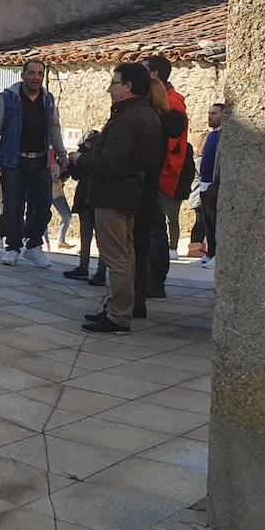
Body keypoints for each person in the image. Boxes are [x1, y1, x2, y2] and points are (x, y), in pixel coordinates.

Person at [71, 64, 161, 333]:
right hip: (130, 194)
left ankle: (119, 315)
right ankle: (118, 309)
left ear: (128, 87)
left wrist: (81, 159)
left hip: (114, 195)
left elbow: (111, 162)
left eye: (114, 83)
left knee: (117, 257)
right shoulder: (146, 115)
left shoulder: (128, 119)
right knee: (126, 255)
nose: (110, 89)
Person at [0, 59, 67, 269]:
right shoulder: (7, 99)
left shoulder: (47, 100)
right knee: (13, 208)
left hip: (40, 161)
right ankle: (13, 248)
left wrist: (62, 156)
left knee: (43, 206)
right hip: (14, 162)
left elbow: (54, 129)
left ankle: (33, 245)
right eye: (31, 73)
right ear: (23, 75)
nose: (36, 77)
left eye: (40, 74)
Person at [143, 54, 189, 296]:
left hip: (160, 176)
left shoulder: (171, 104)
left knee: (155, 228)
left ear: (153, 75)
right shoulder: (167, 101)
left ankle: (156, 280)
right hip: (158, 175)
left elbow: (171, 147)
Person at [62, 129, 106, 284]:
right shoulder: (102, 152)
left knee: (90, 236)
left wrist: (73, 162)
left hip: (92, 198)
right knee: (99, 238)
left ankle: (87, 268)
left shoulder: (89, 153)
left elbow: (76, 173)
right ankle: (97, 271)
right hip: (95, 199)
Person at [198, 102, 224, 267]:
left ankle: (217, 255)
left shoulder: (222, 136)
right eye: (209, 113)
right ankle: (210, 252)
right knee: (207, 222)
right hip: (203, 183)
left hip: (212, 183)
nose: (210, 116)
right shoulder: (211, 135)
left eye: (214, 113)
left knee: (214, 223)